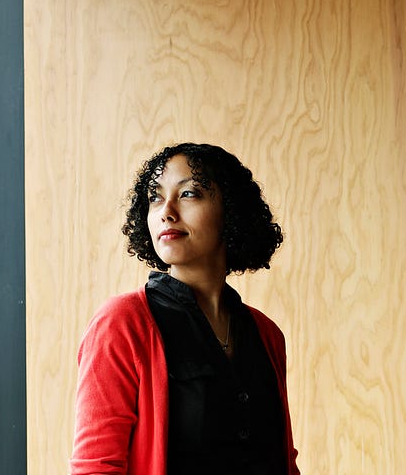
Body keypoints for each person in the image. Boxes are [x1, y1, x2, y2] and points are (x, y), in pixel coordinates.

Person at [71, 143, 298, 475]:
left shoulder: (266, 334)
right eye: (155, 198)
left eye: (189, 193)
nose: (166, 211)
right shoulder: (122, 324)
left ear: (230, 210)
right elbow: (96, 467)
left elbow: (283, 461)